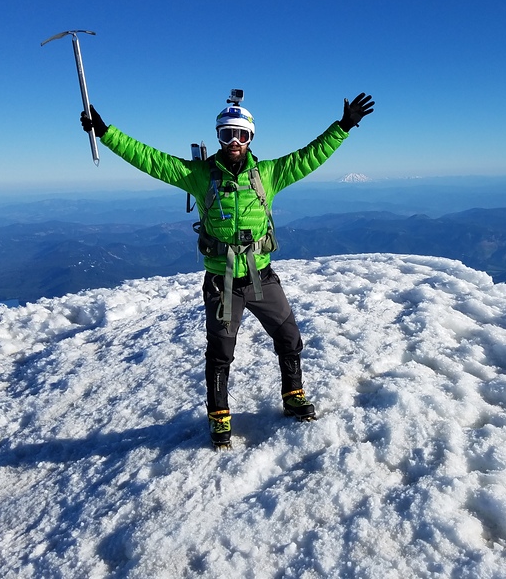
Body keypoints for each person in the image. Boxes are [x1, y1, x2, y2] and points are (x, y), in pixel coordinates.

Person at [79, 92, 374, 448]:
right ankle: (219, 417)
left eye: (242, 135)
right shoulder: (199, 176)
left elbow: (309, 156)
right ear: (218, 137)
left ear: (251, 138)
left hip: (261, 276)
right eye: (226, 135)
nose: (234, 142)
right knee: (221, 353)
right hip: (222, 282)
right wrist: (106, 132)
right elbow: (150, 159)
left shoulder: (268, 174)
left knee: (289, 339)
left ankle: (293, 396)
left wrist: (343, 126)